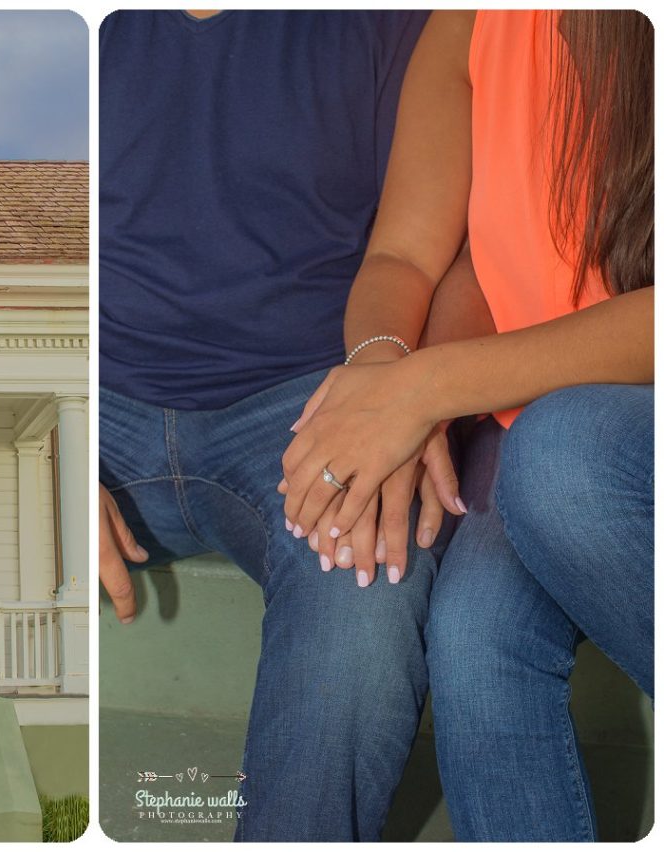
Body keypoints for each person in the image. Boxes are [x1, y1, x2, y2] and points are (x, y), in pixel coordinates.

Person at [279, 10, 652, 841]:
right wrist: (384, 376)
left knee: (565, 459)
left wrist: (426, 392)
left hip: (591, 437)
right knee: (474, 639)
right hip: (535, 419)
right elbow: (423, 258)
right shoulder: (470, 24)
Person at [99, 9, 468, 841]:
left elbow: (438, 247)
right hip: (92, 397)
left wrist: (402, 388)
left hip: (305, 396)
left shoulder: (400, 23)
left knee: (369, 572)